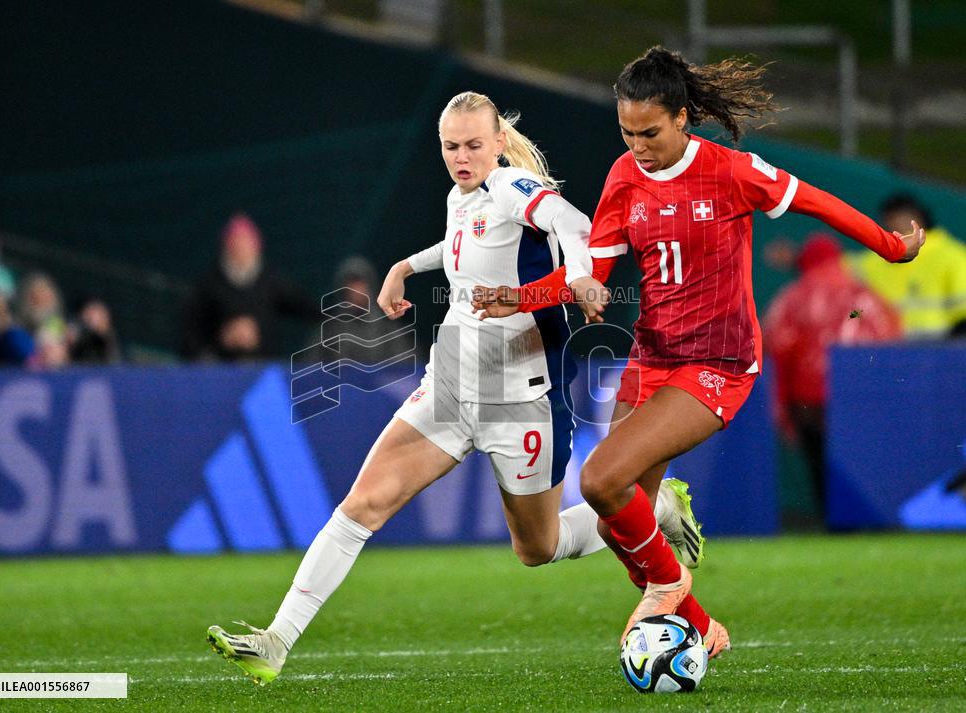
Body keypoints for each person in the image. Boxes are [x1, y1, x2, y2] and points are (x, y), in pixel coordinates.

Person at [206, 90, 705, 685]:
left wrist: (578, 276)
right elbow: (462, 246)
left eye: (473, 144)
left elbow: (573, 223)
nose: (461, 156)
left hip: (522, 398)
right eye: (450, 146)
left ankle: (654, 505)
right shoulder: (461, 196)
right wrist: (403, 268)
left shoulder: (515, 189)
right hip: (449, 386)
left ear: (498, 143)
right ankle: (276, 641)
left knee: (538, 549)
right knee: (362, 506)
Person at [472, 47, 925, 657]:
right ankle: (703, 625)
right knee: (613, 520)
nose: (636, 144)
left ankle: (666, 579)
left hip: (719, 363)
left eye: (649, 132)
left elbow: (818, 201)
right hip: (650, 357)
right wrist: (524, 295)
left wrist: (891, 247)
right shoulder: (623, 178)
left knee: (602, 477)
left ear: (682, 118)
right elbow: (593, 274)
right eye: (626, 131)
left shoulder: (732, 172)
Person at [764, 233, 902, 516]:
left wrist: (781, 406)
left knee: (818, 461)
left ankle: (831, 520)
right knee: (858, 459)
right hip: (858, 395)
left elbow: (775, 347)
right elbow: (889, 340)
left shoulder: (792, 297)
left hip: (808, 398)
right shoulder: (865, 295)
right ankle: (862, 518)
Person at [184, 213, 320, 361]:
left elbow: (307, 309)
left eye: (246, 243)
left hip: (264, 368)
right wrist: (223, 338)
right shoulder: (207, 286)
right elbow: (191, 335)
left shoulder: (272, 283)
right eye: (236, 243)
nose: (241, 248)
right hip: (220, 370)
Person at [846, 193, 966, 339]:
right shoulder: (868, 262)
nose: (894, 224)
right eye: (890, 219)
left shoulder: (954, 256)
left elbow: (962, 318)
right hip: (879, 349)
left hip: (936, 351)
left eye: (900, 218)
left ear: (918, 219)